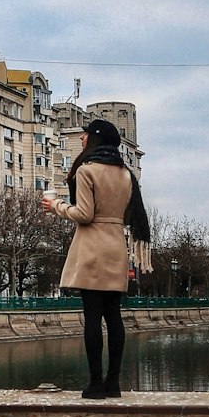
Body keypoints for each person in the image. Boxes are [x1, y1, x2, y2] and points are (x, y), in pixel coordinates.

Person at [42, 118, 152, 398]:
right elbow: (129, 216)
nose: (81, 139)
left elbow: (84, 214)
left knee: (92, 317)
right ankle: (113, 382)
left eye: (85, 135)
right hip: (116, 244)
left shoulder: (86, 171)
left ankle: (95, 383)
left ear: (95, 139)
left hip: (92, 247)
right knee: (114, 316)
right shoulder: (126, 175)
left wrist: (56, 205)